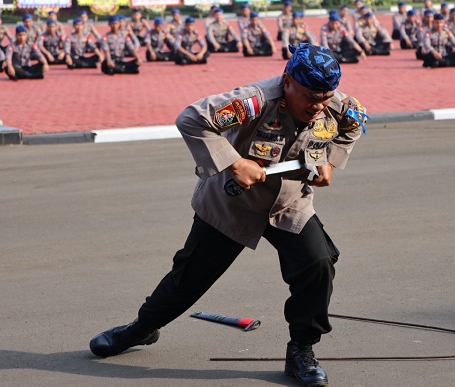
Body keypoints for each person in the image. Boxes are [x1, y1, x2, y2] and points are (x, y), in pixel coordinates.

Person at [88, 42, 365, 387]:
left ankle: (302, 350)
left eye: (325, 97)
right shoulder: (254, 101)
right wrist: (235, 162)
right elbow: (191, 118)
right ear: (287, 81)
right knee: (188, 278)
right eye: (311, 97)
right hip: (233, 204)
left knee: (318, 264)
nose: (319, 106)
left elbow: (353, 126)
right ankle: (141, 329)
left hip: (288, 203)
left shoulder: (333, 105)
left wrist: (330, 161)